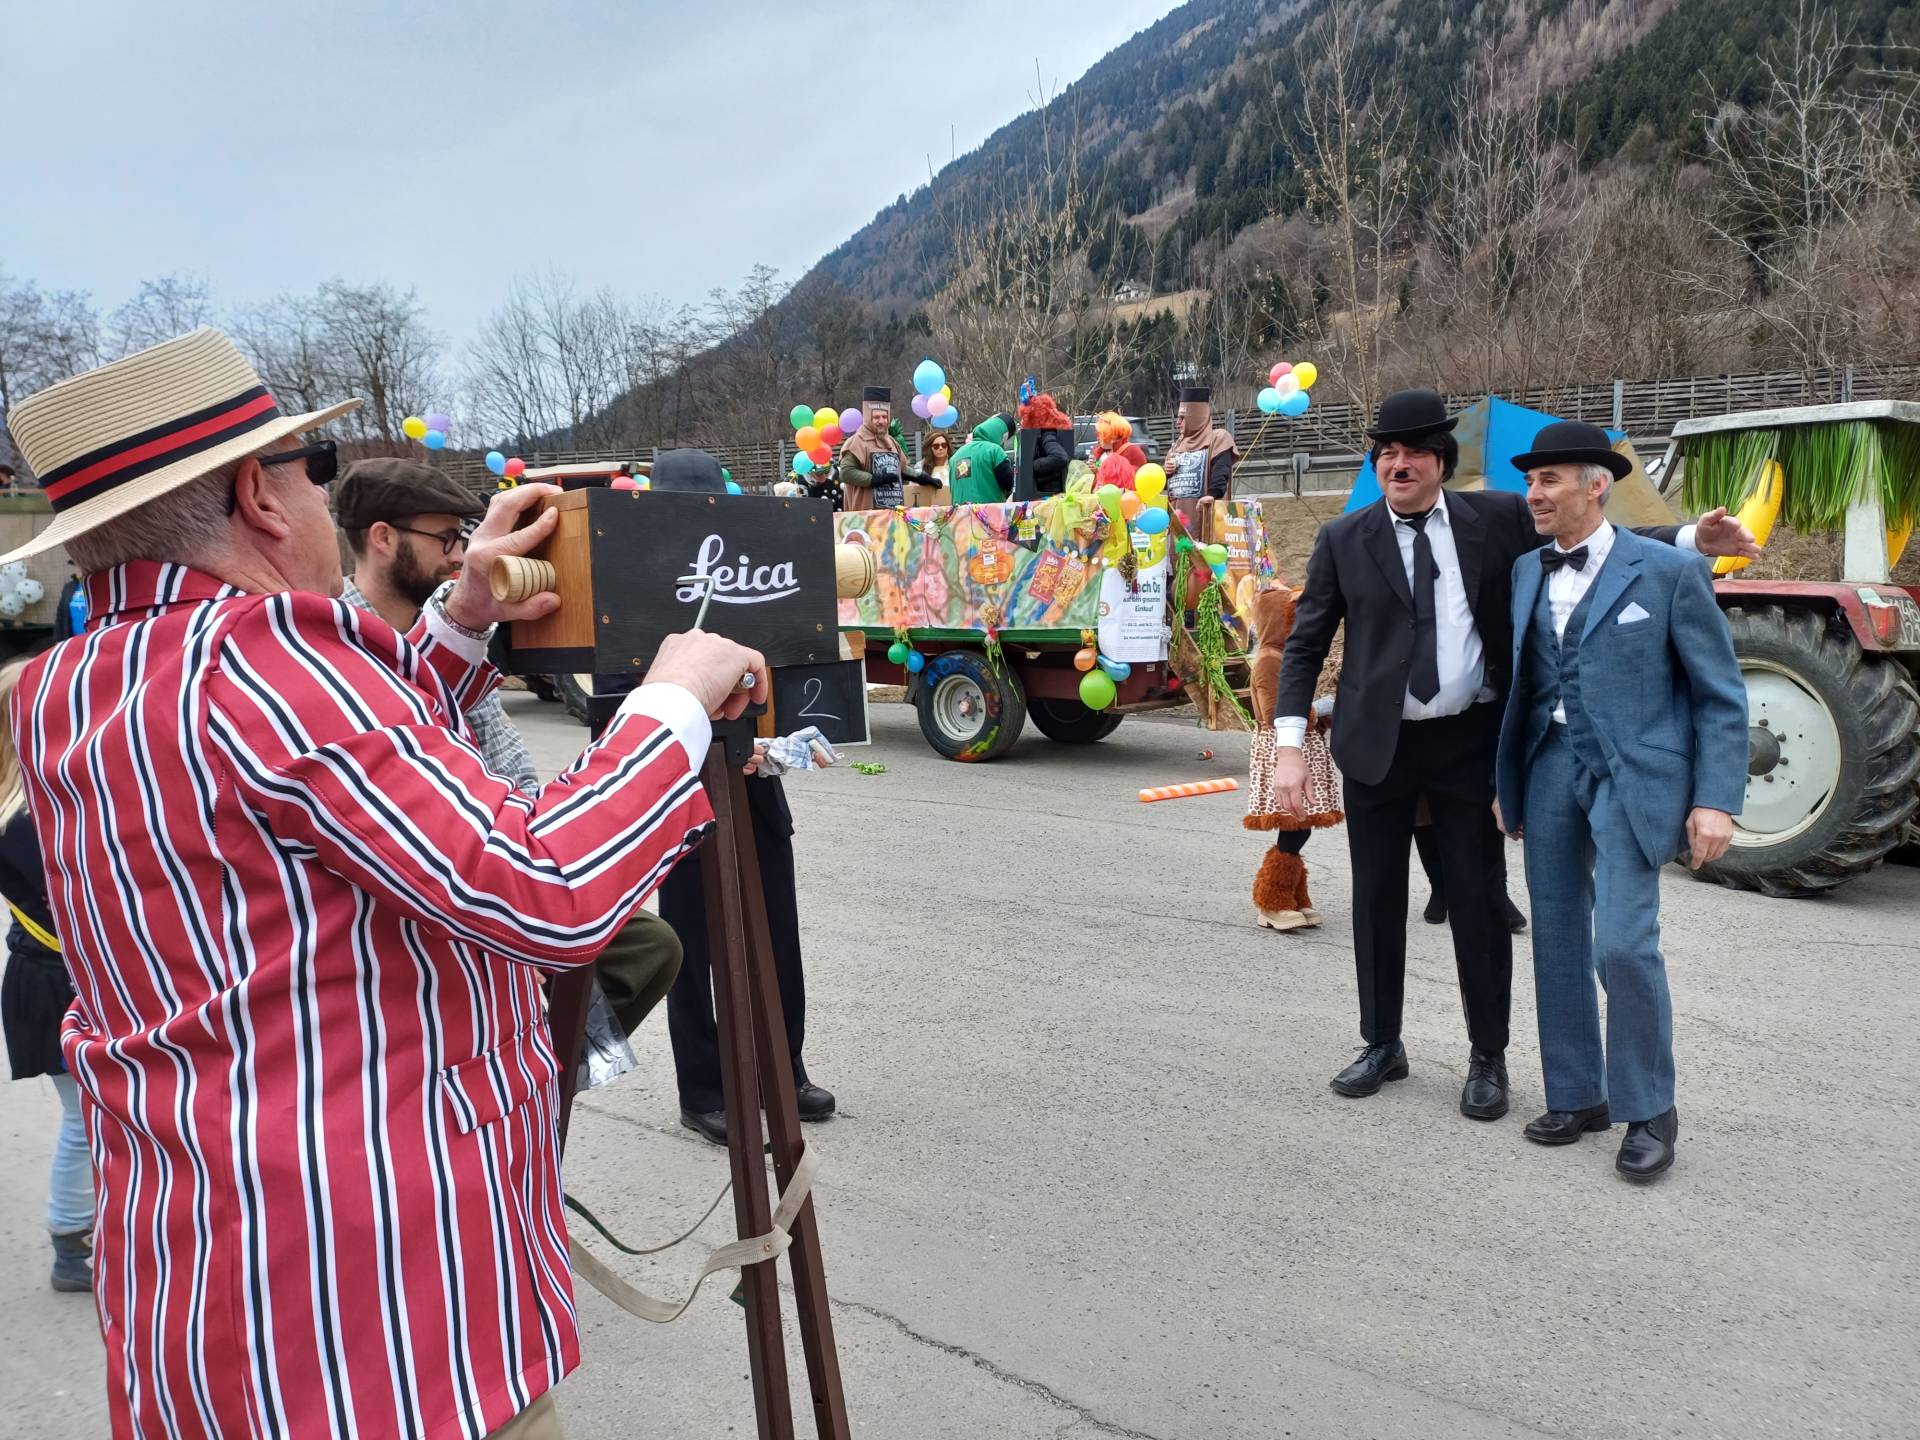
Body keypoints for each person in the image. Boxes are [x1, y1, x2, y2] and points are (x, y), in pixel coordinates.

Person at [2, 328, 766, 1440]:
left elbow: (332, 780)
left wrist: (459, 619)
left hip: (207, 1293)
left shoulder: (79, 681)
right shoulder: (269, 666)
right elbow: (541, 886)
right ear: (254, 502)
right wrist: (672, 703)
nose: (325, 495)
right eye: (308, 473)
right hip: (380, 1334)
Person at [1272, 388, 1758, 1121]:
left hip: (1471, 740)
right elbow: (1305, 643)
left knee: (1477, 901)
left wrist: (1692, 539)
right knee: (1377, 900)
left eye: (1413, 454)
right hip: (1378, 745)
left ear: (1442, 462)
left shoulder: (1498, 517)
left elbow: (1598, 539)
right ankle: (1382, 1042)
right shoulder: (1345, 538)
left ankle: (1487, 1058)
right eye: (1386, 455)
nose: (1397, 465)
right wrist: (1287, 750)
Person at [334, 457, 685, 1042]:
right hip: (427, 885)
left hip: (491, 858)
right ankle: (515, 1064)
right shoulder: (339, 645)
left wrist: (540, 836)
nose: (459, 555)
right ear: (383, 537)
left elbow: (499, 746)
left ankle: (539, 1068)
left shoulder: (451, 631)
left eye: (463, 537)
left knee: (649, 946)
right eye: (446, 537)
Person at [1494, 420, 1746, 1181]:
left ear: (1595, 486)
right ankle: (1578, 1093)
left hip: (1635, 774)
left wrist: (1716, 800)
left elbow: (1720, 695)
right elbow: (1527, 683)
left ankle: (1650, 1109)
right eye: (1530, 482)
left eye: (1550, 481)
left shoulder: (1669, 574)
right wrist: (1503, 783)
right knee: (1558, 934)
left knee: (1625, 944)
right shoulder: (1524, 571)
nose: (1534, 494)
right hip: (1548, 767)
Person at [627, 449, 833, 1145]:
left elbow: (802, 694)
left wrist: (776, 751)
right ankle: (705, 1087)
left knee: (778, 933)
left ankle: (784, 1068)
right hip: (677, 797)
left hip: (757, 788)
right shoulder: (627, 597)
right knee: (690, 946)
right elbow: (615, 723)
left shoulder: (759, 581)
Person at [0, 656, 94, 1294]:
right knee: (87, 1120)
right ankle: (69, 1240)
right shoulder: (25, 817)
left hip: (49, 977)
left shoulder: (31, 801)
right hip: (55, 981)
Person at [1244, 586, 1342, 931]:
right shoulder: (1270, 660)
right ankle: (1271, 898)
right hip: (1282, 752)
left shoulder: (1283, 656)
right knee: (1293, 825)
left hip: (1301, 746)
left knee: (1300, 826)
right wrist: (1321, 710)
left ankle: (1294, 894)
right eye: (1294, 616)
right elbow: (1274, 713)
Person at [839, 386, 908, 510]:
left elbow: (903, 469)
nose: (881, 421)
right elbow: (846, 473)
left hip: (893, 514)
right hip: (865, 515)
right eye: (876, 417)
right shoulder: (856, 442)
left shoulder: (892, 442)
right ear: (867, 418)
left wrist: (923, 478)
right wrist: (874, 479)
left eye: (884, 417)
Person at [1165, 386, 1239, 502]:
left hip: (1205, 512)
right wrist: (1165, 474)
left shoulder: (1218, 438)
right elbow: (1167, 487)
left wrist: (1212, 495)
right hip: (1177, 516)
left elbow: (1221, 473)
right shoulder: (1176, 447)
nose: (1177, 423)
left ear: (1195, 418)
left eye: (1182, 418)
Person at [1015, 391, 1075, 500]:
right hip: (1047, 493)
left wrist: (1031, 466)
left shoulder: (1047, 436)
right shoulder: (1044, 435)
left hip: (1048, 494)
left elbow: (1060, 457)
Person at [949, 413, 1016, 505]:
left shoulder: (955, 457)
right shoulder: (994, 451)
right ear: (1003, 436)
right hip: (986, 514)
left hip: (959, 515)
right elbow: (1008, 483)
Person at [908, 430, 954, 506]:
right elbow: (913, 491)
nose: (940, 448)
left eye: (944, 445)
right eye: (936, 446)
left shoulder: (954, 464)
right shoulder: (920, 467)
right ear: (930, 448)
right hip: (927, 510)